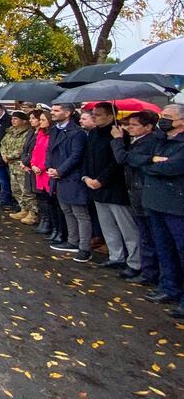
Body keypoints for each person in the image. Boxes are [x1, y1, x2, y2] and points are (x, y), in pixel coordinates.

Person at [84, 103, 140, 274]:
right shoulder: (93, 133)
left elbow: (117, 162)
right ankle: (116, 256)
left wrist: (101, 180)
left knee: (127, 227)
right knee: (107, 226)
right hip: (95, 185)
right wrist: (86, 177)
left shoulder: (119, 134)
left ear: (110, 116)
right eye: (93, 114)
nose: (94, 117)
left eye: (98, 114)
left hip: (115, 187)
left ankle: (135, 262)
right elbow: (88, 157)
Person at [141, 104, 184, 318]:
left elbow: (172, 167)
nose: (162, 120)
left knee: (180, 250)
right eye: (161, 115)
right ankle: (169, 288)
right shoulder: (160, 140)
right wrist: (151, 162)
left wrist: (151, 165)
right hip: (155, 202)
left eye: (167, 116)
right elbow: (138, 159)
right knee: (164, 249)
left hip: (176, 205)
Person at [111, 110, 161, 283]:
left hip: (144, 192)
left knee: (149, 237)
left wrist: (118, 140)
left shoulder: (150, 142)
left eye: (134, 125)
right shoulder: (136, 140)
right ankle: (146, 270)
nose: (129, 128)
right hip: (135, 191)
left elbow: (123, 158)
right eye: (128, 124)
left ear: (148, 127)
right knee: (144, 234)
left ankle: (150, 273)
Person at [47, 103, 91, 262]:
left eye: (56, 110)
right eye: (52, 110)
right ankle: (72, 241)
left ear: (67, 113)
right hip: (57, 176)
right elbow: (50, 151)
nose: (52, 113)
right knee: (67, 210)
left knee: (80, 213)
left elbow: (76, 155)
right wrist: (50, 167)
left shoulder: (77, 133)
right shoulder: (54, 130)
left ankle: (84, 247)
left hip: (72, 177)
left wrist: (60, 170)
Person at [2, 110, 36, 223]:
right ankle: (23, 209)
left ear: (24, 121)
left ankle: (33, 213)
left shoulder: (28, 132)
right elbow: (3, 143)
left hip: (21, 165)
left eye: (16, 119)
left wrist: (9, 156)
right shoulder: (10, 131)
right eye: (12, 119)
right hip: (11, 165)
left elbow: (24, 148)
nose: (13, 121)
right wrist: (4, 154)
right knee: (16, 189)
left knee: (26, 191)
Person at [27, 110, 55, 235]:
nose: (40, 122)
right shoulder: (40, 134)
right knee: (41, 198)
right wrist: (33, 164)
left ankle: (49, 223)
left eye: (43, 120)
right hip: (37, 170)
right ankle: (44, 220)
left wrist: (41, 167)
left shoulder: (51, 136)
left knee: (48, 199)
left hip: (44, 171)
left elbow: (48, 154)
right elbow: (35, 151)